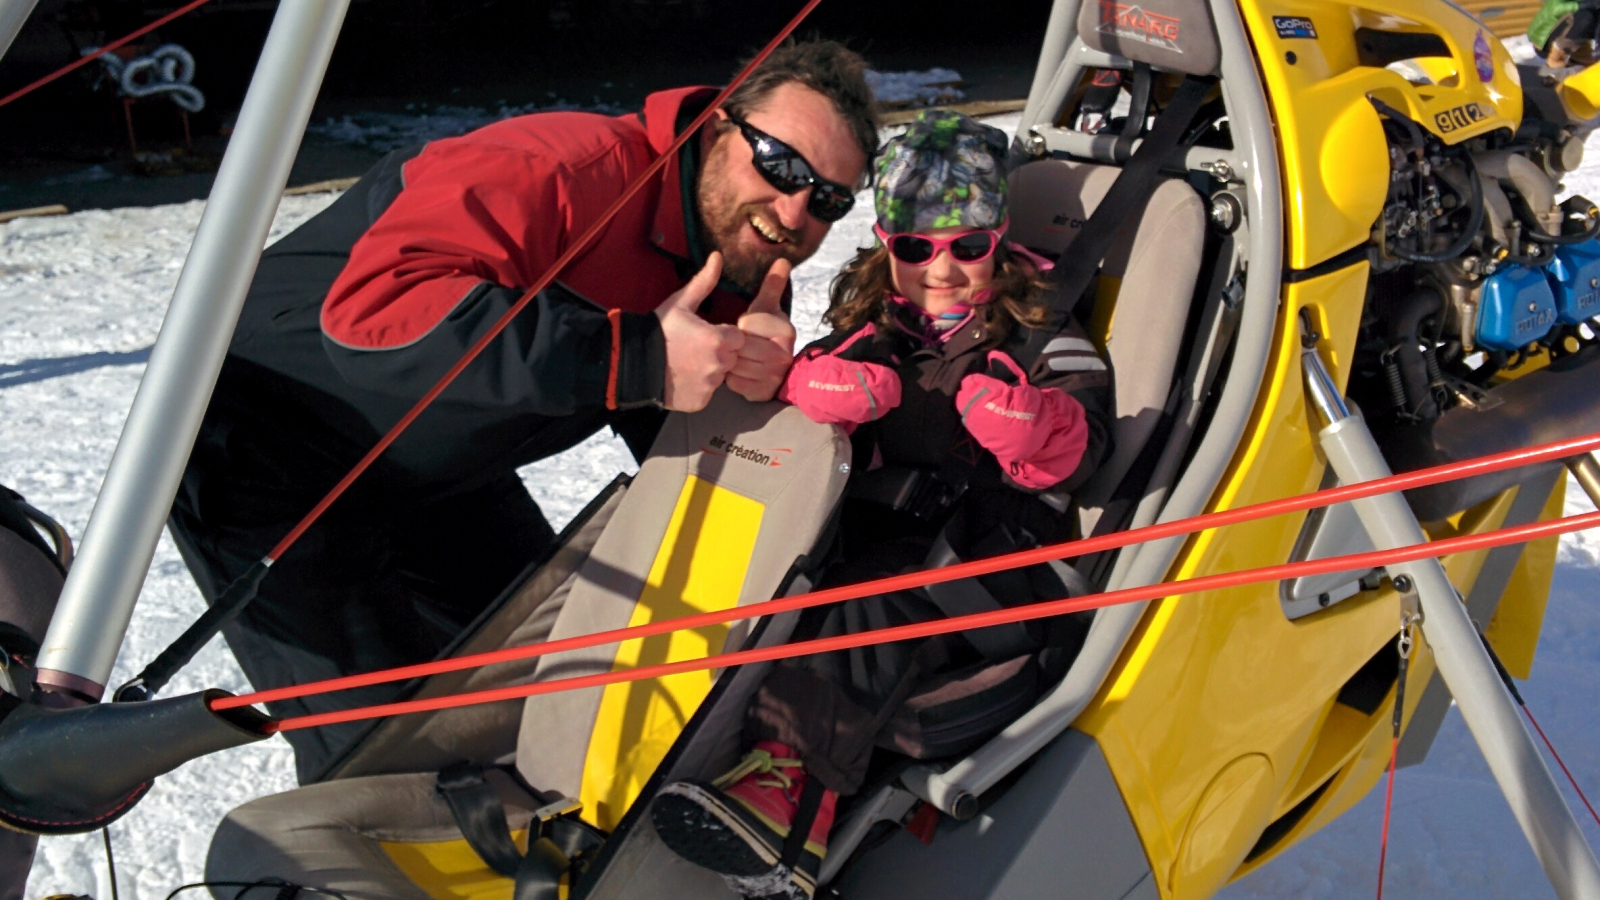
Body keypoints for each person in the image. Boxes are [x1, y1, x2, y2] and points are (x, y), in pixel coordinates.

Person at [167, 41, 878, 782]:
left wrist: (754, 392)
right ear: (717, 127)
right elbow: (374, 317)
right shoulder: (560, 167)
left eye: (828, 198)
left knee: (538, 684)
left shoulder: (741, 267)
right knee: (375, 752)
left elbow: (693, 449)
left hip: (441, 465)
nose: (794, 208)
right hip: (268, 453)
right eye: (780, 163)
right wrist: (633, 357)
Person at [650, 110, 1113, 900]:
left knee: (873, 598)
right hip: (888, 535)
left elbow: (1089, 440)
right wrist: (810, 382)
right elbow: (827, 363)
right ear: (888, 245)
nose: (942, 270)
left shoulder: (1038, 329)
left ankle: (790, 794)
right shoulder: (878, 318)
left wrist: (1037, 429)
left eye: (967, 247)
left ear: (997, 238)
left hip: (998, 565)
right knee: (797, 577)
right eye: (915, 249)